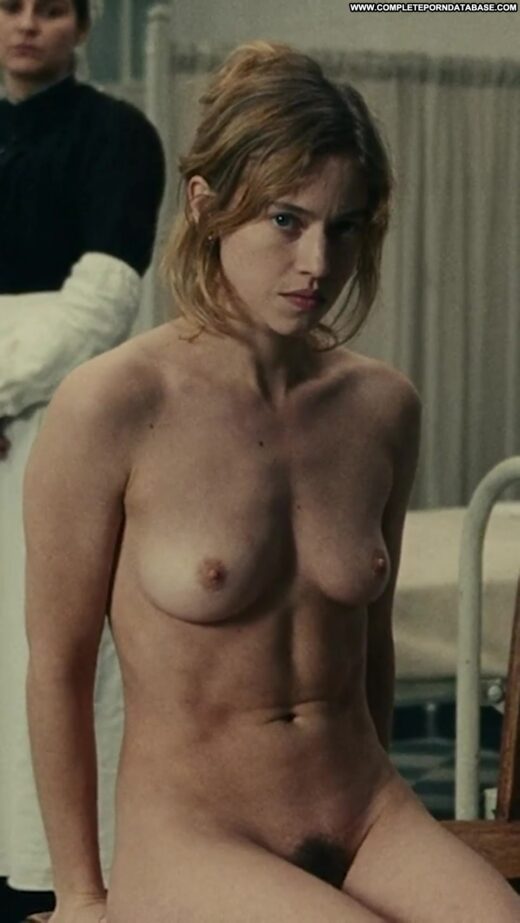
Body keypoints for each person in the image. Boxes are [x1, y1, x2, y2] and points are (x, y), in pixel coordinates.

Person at [23, 41, 520, 923]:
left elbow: (370, 647)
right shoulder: (112, 404)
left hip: (368, 811)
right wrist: (80, 896)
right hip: (198, 834)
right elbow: (57, 667)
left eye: (345, 226)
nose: (317, 262)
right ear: (206, 205)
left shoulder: (382, 408)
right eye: (286, 220)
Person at [0, 0, 165, 912]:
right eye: (10, 5)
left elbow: (102, 300)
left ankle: (64, 876)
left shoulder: (117, 136)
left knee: (55, 647)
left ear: (83, 25)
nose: (28, 24)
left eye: (51, 8)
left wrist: (3, 387)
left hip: (57, 416)